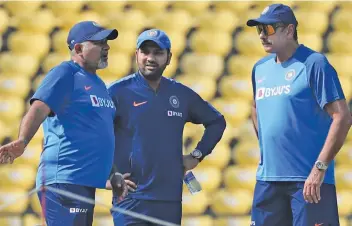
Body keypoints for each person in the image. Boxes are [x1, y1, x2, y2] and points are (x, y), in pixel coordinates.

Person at [0, 21, 131, 226]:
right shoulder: (65, 73)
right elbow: (38, 109)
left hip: (82, 184)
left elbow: (102, 135)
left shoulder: (100, 85)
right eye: (99, 42)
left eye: (107, 42)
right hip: (64, 181)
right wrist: (23, 141)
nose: (107, 47)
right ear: (78, 48)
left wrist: (113, 174)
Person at [107, 29, 226, 225]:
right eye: (145, 52)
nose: (150, 58)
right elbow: (97, 136)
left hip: (169, 201)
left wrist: (197, 155)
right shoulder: (117, 92)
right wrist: (110, 175)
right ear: (136, 54)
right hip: (130, 199)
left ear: (169, 57)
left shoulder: (181, 94)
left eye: (158, 52)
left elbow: (216, 122)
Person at [247, 4, 352, 226]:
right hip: (267, 180)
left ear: (289, 30)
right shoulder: (260, 69)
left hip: (308, 182)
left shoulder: (314, 63)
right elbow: (255, 108)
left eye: (269, 29)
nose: (262, 36)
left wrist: (320, 168)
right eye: (259, 30)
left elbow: (342, 116)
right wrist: (269, 145)